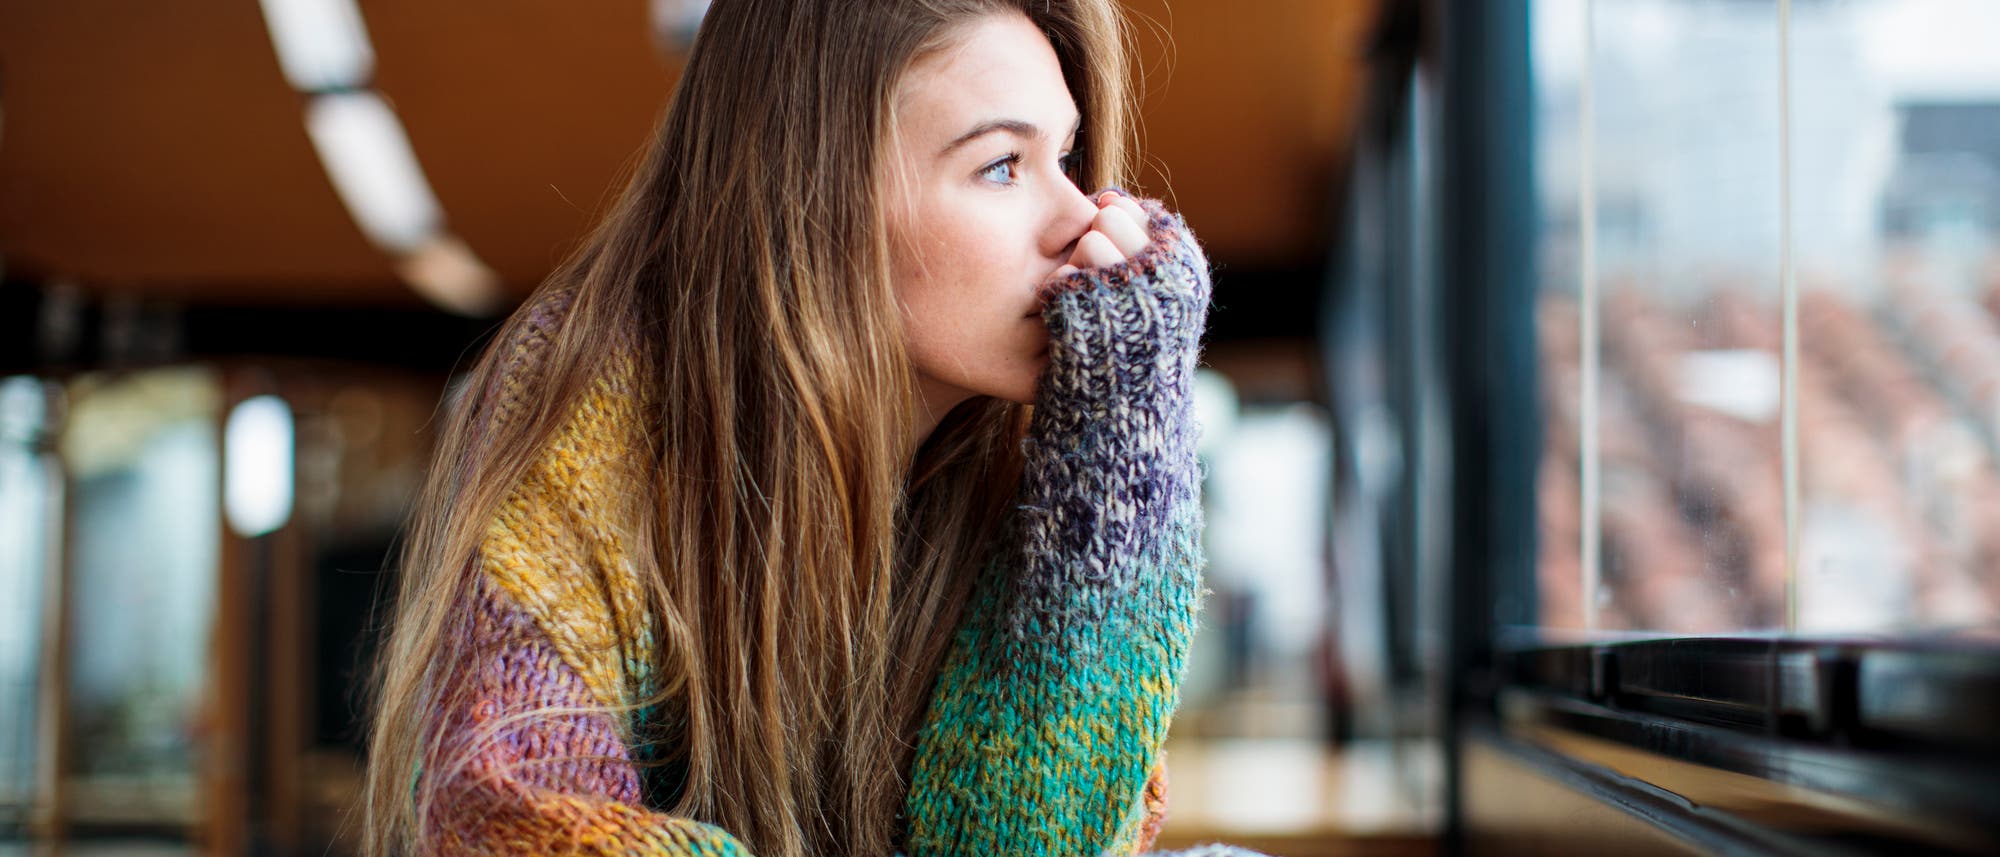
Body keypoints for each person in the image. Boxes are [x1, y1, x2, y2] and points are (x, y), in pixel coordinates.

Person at [362, 1, 1257, 854]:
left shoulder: (1025, 457)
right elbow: (506, 819)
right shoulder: (595, 403)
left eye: (1065, 157)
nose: (1081, 219)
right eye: (1000, 167)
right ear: (816, 195)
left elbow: (1023, 833)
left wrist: (1125, 430)